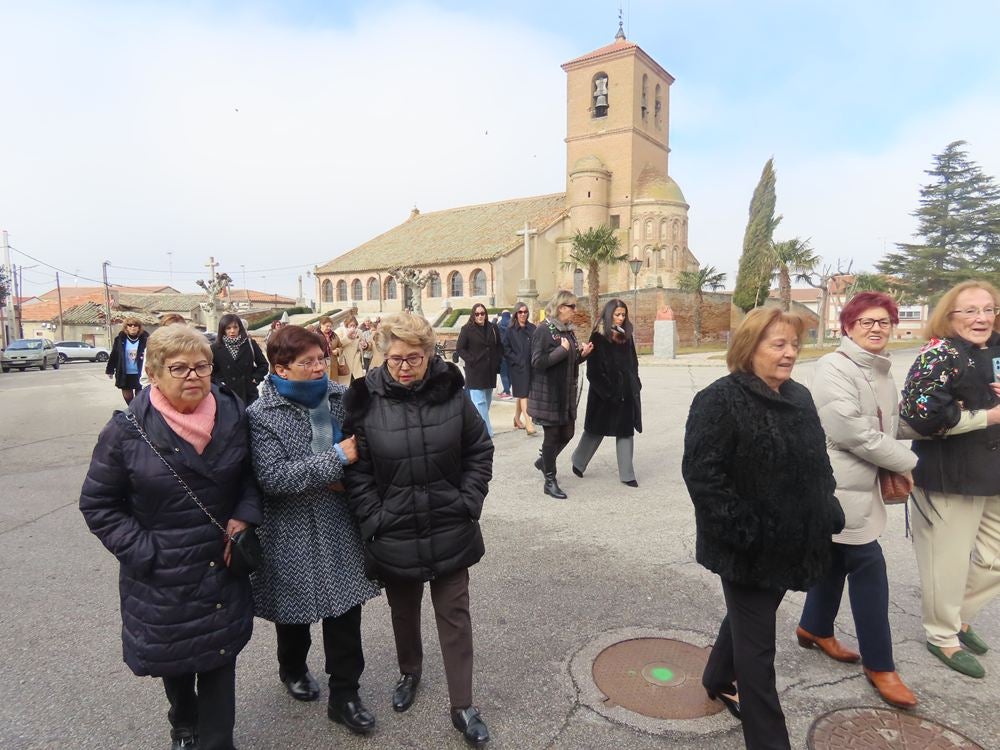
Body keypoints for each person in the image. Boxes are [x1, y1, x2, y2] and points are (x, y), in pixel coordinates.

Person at [80, 325, 262, 750]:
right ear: (154, 372)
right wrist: (146, 552)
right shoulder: (127, 431)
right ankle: (183, 720)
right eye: (179, 368)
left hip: (220, 562)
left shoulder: (233, 413)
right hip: (163, 568)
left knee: (219, 655)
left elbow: (250, 476)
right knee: (175, 658)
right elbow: (98, 505)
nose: (193, 376)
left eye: (202, 366)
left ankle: (217, 741)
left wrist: (244, 515)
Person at [682, 307, 844, 750]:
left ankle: (716, 676)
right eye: (779, 344)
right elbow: (703, 477)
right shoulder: (719, 399)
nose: (790, 352)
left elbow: (818, 461)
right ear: (749, 349)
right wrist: (746, 533)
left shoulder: (800, 396)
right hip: (746, 549)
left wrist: (827, 505)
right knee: (758, 654)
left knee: (750, 622)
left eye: (794, 344)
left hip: (797, 539)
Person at [343, 313, 494, 748]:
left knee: (455, 616)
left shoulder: (452, 393)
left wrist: (468, 501)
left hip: (450, 521)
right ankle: (410, 671)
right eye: (395, 359)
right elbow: (358, 470)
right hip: (393, 529)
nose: (404, 366)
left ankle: (462, 704)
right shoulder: (363, 400)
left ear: (430, 354)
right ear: (382, 356)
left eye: (414, 357)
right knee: (403, 612)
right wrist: (375, 517)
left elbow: (479, 449)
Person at [245, 325, 381, 735]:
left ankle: (345, 695)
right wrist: (336, 459)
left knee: (345, 614)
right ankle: (292, 668)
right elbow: (273, 478)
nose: (320, 367)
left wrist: (349, 470)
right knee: (294, 615)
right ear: (281, 369)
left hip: (339, 523)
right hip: (289, 530)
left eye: (321, 358)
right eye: (308, 362)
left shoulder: (341, 400)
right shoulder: (261, 416)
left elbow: (366, 451)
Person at [797, 292, 918, 708]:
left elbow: (893, 423)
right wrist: (907, 461)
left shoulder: (882, 370)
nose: (876, 328)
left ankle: (814, 627)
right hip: (835, 484)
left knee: (834, 559)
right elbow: (850, 430)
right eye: (866, 321)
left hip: (859, 485)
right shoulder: (833, 367)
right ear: (846, 327)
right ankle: (881, 665)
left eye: (883, 321)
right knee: (868, 564)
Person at [899, 280, 1000, 679]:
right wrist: (987, 415)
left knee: (994, 560)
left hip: (994, 471)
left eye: (988, 309)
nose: (981, 318)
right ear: (949, 316)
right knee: (947, 561)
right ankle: (942, 635)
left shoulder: (997, 349)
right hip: (948, 474)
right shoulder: (938, 354)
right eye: (970, 311)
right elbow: (921, 415)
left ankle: (958, 616)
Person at [527, 290, 593, 499]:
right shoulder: (544, 330)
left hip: (566, 392)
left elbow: (569, 361)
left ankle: (544, 461)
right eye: (572, 307)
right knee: (553, 435)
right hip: (549, 393)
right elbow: (537, 362)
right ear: (561, 307)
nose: (575, 311)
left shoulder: (568, 331)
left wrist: (582, 355)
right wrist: (561, 351)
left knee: (568, 433)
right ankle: (549, 480)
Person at [570, 299, 642, 487]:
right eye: (617, 315)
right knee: (595, 431)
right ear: (609, 314)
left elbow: (633, 361)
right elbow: (593, 370)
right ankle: (578, 461)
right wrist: (609, 393)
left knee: (625, 432)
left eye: (623, 315)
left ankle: (627, 474)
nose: (620, 318)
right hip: (604, 394)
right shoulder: (598, 335)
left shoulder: (627, 334)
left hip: (626, 392)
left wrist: (636, 382)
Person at [456, 303, 504, 437]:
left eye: (482, 313)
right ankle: (487, 431)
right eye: (477, 314)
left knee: (486, 402)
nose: (480, 316)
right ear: (473, 315)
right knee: (479, 402)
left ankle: (475, 426)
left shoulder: (493, 327)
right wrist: (472, 360)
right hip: (475, 370)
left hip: (490, 370)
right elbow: (460, 348)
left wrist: (497, 360)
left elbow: (499, 345)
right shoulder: (467, 329)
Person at [211, 313, 268, 406]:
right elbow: (211, 371)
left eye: (235, 327)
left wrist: (255, 379)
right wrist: (221, 384)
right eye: (228, 328)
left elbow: (263, 365)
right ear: (222, 330)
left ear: (240, 328)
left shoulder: (250, 344)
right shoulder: (215, 348)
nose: (232, 331)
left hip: (248, 393)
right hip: (226, 394)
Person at [503, 301, 536, 435]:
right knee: (524, 394)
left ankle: (517, 418)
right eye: (520, 312)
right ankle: (528, 422)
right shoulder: (510, 330)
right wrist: (516, 360)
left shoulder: (532, 328)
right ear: (516, 314)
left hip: (531, 366)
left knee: (523, 394)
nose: (523, 314)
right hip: (517, 368)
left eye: (525, 312)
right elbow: (505, 348)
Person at [106, 317, 149, 405]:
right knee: (128, 398)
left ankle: (138, 414)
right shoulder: (120, 339)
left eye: (135, 325)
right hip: (125, 373)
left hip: (140, 373)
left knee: (140, 398)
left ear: (139, 328)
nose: (133, 327)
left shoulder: (146, 339)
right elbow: (114, 355)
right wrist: (110, 370)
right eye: (130, 325)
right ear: (126, 327)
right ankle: (132, 412)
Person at [316, 316, 346, 383]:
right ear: (321, 325)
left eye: (330, 326)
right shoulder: (315, 336)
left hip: (333, 364)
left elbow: (341, 346)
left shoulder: (334, 335)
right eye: (327, 326)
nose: (329, 328)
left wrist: (337, 350)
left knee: (333, 384)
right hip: (321, 365)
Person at [339, 315, 366, 380]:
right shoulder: (341, 331)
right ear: (347, 324)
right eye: (351, 325)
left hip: (356, 361)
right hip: (345, 361)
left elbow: (363, 344)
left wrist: (363, 345)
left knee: (358, 382)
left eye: (354, 325)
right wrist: (348, 337)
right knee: (345, 383)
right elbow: (339, 345)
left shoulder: (359, 332)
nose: (353, 327)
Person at [496, 310, 512, 399]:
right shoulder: (513, 324)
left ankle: (507, 392)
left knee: (503, 373)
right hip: (511, 352)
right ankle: (506, 390)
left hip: (502, 352)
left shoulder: (499, 324)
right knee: (509, 373)